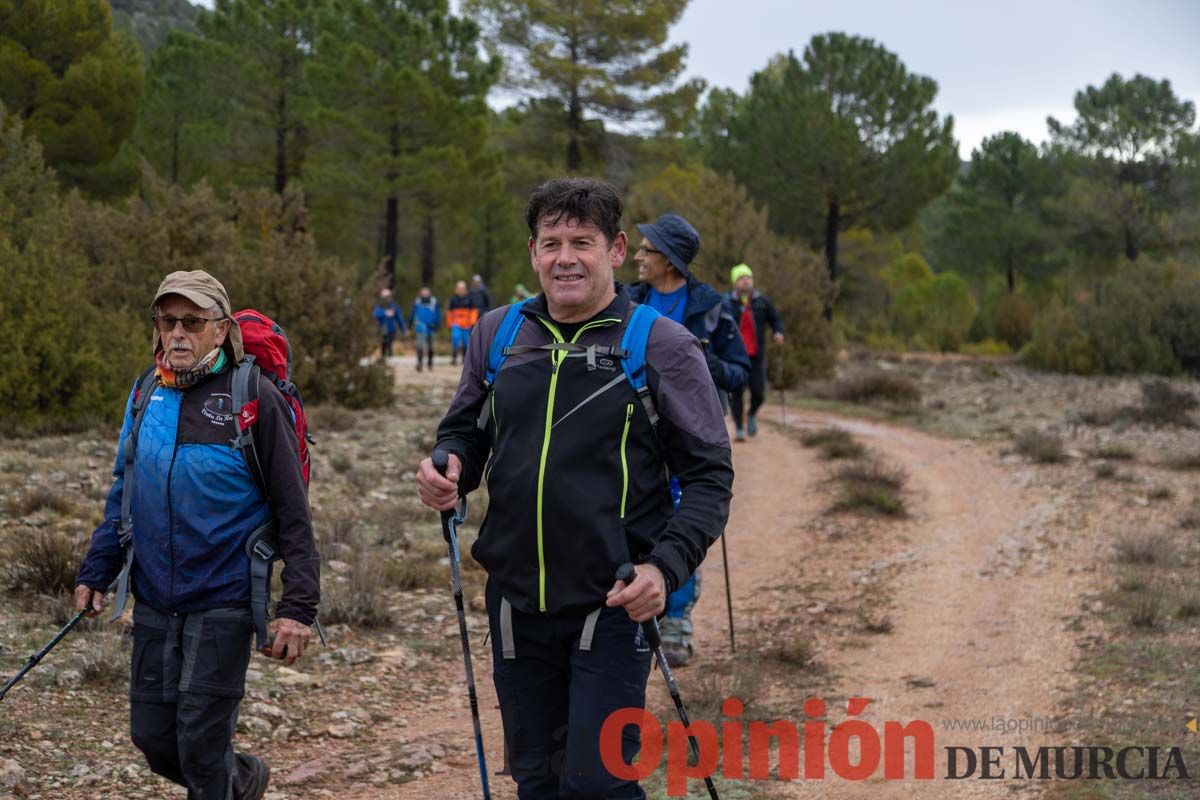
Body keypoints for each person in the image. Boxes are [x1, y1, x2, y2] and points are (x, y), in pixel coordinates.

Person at [416, 178, 733, 799]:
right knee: (537, 780)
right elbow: (466, 432)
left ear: (615, 251)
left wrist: (664, 571)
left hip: (612, 602)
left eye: (581, 242)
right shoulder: (499, 334)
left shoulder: (660, 346)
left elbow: (708, 477)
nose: (565, 257)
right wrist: (448, 466)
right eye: (551, 242)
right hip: (513, 601)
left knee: (598, 784)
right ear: (533, 253)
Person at [74, 270, 320, 800]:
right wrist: (99, 567)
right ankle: (243, 781)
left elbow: (293, 511)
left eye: (192, 321)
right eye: (167, 321)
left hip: (224, 600)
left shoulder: (253, 397)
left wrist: (299, 606)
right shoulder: (146, 393)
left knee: (202, 749)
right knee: (154, 739)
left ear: (220, 329)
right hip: (156, 597)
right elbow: (126, 487)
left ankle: (224, 781)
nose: (178, 333)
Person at [628, 213, 749, 668]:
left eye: (647, 249)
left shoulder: (711, 307)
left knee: (679, 523)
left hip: (689, 437)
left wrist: (701, 361)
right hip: (632, 433)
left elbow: (738, 371)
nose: (637, 255)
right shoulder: (626, 299)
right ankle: (638, 615)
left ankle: (676, 623)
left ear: (670, 261)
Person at [726, 264, 785, 441]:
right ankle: (739, 429)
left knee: (759, 392)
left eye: (748, 277)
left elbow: (776, 319)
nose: (746, 281)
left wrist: (778, 332)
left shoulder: (762, 302)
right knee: (736, 393)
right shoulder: (727, 303)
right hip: (734, 356)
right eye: (741, 278)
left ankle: (751, 415)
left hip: (756, 356)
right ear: (735, 282)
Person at [446, 280, 478, 366]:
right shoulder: (453, 299)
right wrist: (449, 323)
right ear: (456, 289)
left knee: (465, 342)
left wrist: (472, 322)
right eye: (459, 288)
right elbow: (449, 313)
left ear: (465, 289)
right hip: (456, 324)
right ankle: (454, 358)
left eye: (462, 288)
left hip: (466, 324)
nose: (460, 290)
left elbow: (474, 311)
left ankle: (464, 359)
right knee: (455, 339)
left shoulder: (470, 299)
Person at [410, 287, 440, 371]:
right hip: (421, 326)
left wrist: (437, 324)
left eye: (426, 293)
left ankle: (430, 363)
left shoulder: (434, 302)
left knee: (431, 347)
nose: (425, 295)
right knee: (419, 346)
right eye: (423, 293)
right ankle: (419, 364)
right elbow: (413, 313)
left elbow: (438, 314)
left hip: (431, 327)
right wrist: (410, 323)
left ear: (430, 294)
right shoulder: (417, 302)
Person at [372, 287, 406, 359]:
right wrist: (385, 313)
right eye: (385, 296)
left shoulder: (394, 306)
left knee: (389, 342)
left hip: (392, 328)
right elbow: (375, 314)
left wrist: (403, 329)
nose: (386, 298)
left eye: (387, 296)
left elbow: (399, 318)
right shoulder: (379, 306)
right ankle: (384, 356)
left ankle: (390, 356)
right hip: (382, 328)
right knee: (384, 342)